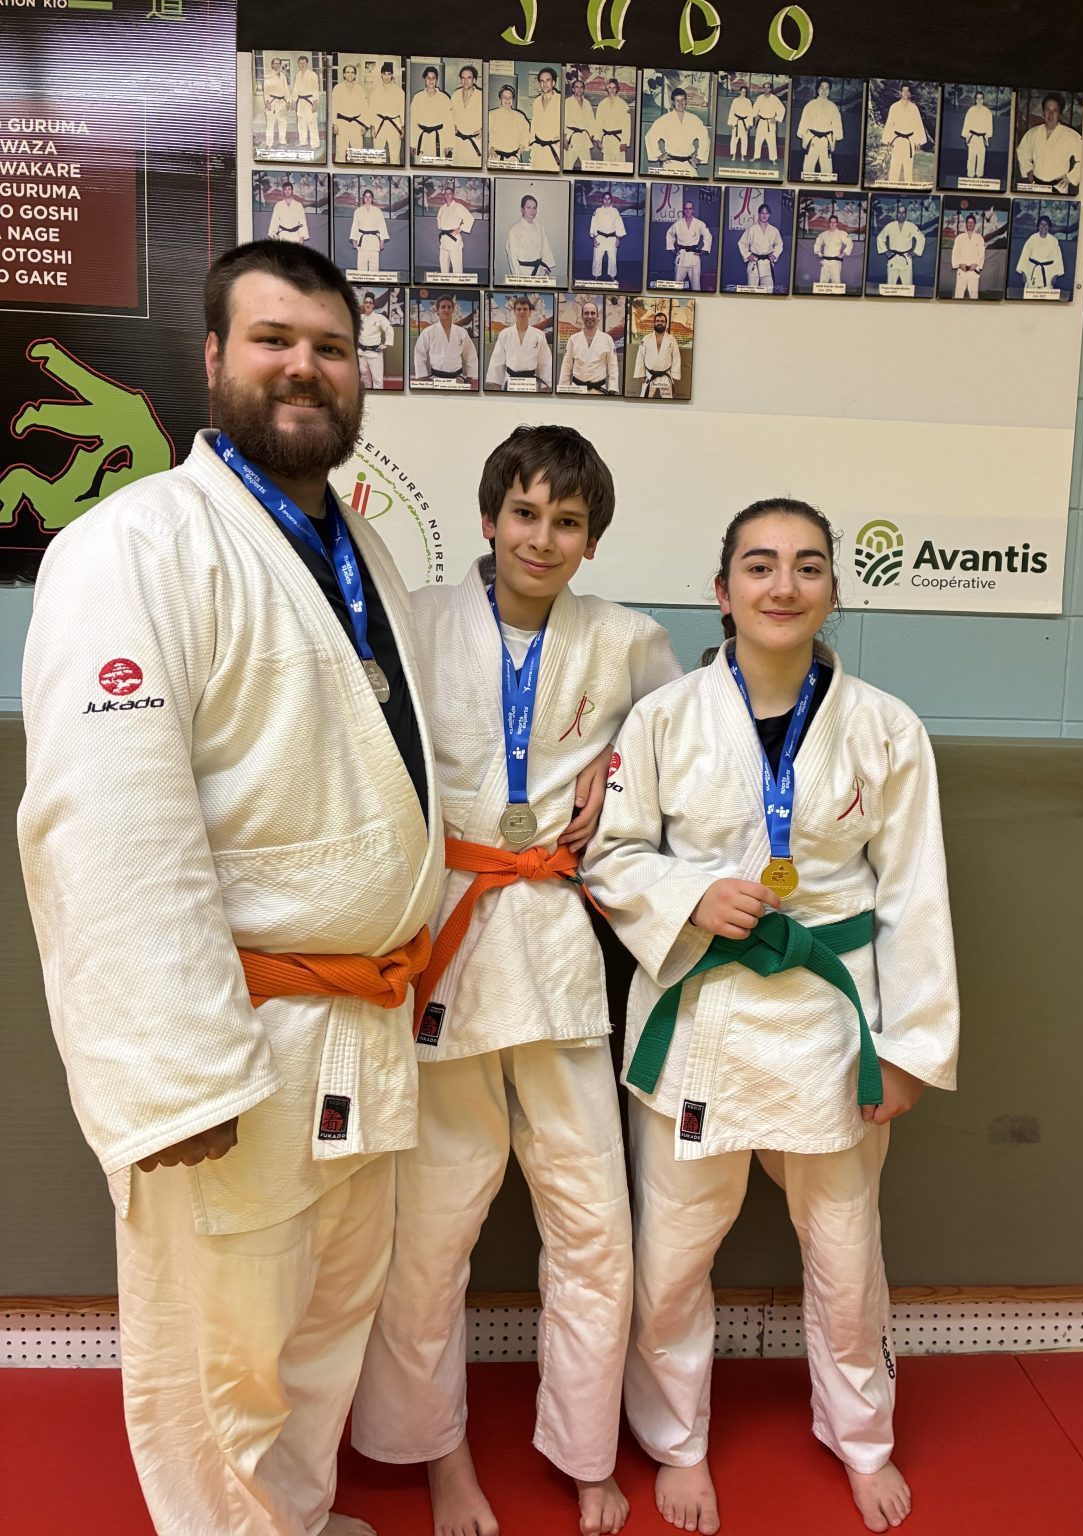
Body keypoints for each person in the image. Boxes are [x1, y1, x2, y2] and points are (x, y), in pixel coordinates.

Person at [18, 238, 440, 1536]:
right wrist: (174, 1077)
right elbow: (109, 821)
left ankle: (296, 1523)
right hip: (237, 1046)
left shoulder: (365, 553)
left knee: (320, 1334)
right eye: (274, 341)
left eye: (332, 347)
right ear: (212, 358)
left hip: (359, 1029)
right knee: (222, 1367)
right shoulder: (132, 545)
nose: (305, 368)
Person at [583, 497, 959, 1536]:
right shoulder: (663, 720)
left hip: (831, 1024)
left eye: (806, 566)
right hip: (701, 1014)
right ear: (723, 591)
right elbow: (611, 856)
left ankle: (862, 1437)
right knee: (673, 1256)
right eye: (759, 565)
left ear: (832, 589)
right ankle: (677, 1441)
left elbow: (915, 896)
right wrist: (688, 896)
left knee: (845, 1255)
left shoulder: (886, 727)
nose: (782, 585)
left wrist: (910, 1048)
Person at [351, 423, 681, 1536]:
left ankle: (586, 1452)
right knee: (432, 1229)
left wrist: (620, 776)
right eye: (526, 514)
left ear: (592, 540)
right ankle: (437, 1455)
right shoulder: (417, 619)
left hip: (555, 948)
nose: (543, 538)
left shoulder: (628, 640)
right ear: (489, 520)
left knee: (595, 1227)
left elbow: (684, 746)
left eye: (567, 522)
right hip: (445, 939)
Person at [1016, 93, 1082, 193]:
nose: (1050, 115)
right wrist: (1027, 169)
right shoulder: (1033, 133)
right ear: (1043, 112)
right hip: (1036, 185)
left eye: (1054, 111)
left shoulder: (1071, 135)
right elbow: (1022, 151)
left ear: (1060, 114)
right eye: (1047, 110)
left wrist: (1071, 177)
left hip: (1059, 187)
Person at [485, 294, 553, 391]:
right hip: (510, 381)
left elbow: (545, 362)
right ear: (514, 312)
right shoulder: (505, 334)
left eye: (525, 309)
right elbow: (497, 360)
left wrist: (546, 385)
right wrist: (496, 383)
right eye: (519, 309)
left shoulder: (539, 335)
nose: (522, 311)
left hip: (530, 383)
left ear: (530, 312)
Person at [411, 293, 479, 386]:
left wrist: (472, 375)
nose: (446, 310)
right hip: (436, 378)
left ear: (453, 310)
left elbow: (471, 354)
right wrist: (422, 375)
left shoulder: (462, 332)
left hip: (457, 378)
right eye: (443, 307)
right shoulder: (429, 332)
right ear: (437, 310)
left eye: (449, 307)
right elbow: (419, 352)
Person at [645, 86, 710, 175]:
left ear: (686, 101)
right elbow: (650, 136)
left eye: (682, 100)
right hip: (670, 163)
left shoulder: (694, 119)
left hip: (688, 163)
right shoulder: (664, 120)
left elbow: (705, 138)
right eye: (677, 100)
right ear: (673, 102)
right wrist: (658, 155)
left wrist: (700, 157)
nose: (680, 103)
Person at [559, 299, 620, 393]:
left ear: (597, 316)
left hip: (599, 390)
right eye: (586, 313)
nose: (590, 316)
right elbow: (566, 367)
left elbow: (613, 366)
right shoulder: (573, 339)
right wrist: (563, 389)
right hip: (577, 389)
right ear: (582, 316)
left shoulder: (607, 339)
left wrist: (613, 388)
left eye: (593, 313)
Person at [880, 83, 927, 185]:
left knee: (908, 169)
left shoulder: (914, 108)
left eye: (907, 91)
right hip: (897, 141)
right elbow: (889, 124)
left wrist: (918, 141)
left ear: (910, 93)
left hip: (909, 141)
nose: (905, 93)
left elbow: (918, 125)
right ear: (900, 92)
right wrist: (888, 141)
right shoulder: (894, 107)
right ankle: (892, 187)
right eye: (903, 91)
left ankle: (908, 187)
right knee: (894, 168)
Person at [796, 78, 843, 180]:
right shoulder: (810, 105)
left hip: (826, 140)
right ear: (817, 89)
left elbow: (837, 126)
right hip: (812, 138)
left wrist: (833, 143)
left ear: (829, 91)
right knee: (808, 168)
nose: (824, 90)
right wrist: (803, 140)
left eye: (827, 88)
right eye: (822, 87)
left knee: (827, 170)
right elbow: (804, 122)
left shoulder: (833, 107)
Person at [664, 198, 713, 290]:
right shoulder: (678, 224)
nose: (688, 211)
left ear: (693, 210)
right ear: (683, 210)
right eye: (686, 208)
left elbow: (708, 236)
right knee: (677, 285)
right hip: (681, 256)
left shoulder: (699, 224)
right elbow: (669, 234)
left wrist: (703, 250)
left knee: (696, 285)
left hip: (693, 256)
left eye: (690, 208)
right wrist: (672, 249)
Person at [506, 193, 557, 280]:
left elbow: (545, 247)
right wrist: (518, 277)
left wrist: (545, 267)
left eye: (534, 208)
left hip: (540, 271)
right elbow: (512, 257)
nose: (532, 211)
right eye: (528, 207)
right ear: (522, 209)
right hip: (523, 272)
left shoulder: (540, 226)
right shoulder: (514, 230)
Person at [875, 203, 925, 288]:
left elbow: (921, 238)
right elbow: (880, 237)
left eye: (903, 212)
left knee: (907, 286)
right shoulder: (890, 225)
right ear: (896, 214)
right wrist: (885, 251)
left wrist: (915, 252)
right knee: (890, 285)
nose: (901, 214)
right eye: (899, 212)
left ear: (906, 214)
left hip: (906, 258)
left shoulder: (911, 226)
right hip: (893, 258)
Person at [634, 307, 681, 398]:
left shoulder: (672, 340)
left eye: (662, 321)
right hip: (649, 376)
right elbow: (640, 356)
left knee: (667, 400)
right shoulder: (646, 339)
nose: (660, 323)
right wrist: (640, 374)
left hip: (665, 376)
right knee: (644, 399)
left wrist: (675, 375)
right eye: (658, 321)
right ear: (654, 323)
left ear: (666, 324)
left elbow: (676, 357)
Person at [737, 200, 784, 289]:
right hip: (754, 263)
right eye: (762, 213)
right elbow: (742, 243)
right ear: (759, 214)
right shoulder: (752, 229)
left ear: (769, 215)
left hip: (767, 264)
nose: (764, 215)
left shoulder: (774, 230)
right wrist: (748, 255)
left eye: (766, 213)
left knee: (768, 290)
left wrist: (775, 254)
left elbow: (779, 244)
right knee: (752, 289)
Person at [434, 181, 475, 277]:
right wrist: (442, 229)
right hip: (444, 239)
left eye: (449, 193)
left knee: (456, 265)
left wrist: (460, 228)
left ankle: (458, 282)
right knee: (443, 263)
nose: (447, 195)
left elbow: (470, 218)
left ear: (453, 195)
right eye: (446, 194)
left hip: (453, 238)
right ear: (444, 195)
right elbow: (439, 219)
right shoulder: (442, 208)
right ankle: (444, 281)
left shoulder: (458, 207)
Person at [1015, 213, 1065, 290]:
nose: (1043, 226)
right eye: (1041, 224)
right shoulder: (1032, 239)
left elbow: (1058, 258)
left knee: (1046, 292)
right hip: (1032, 270)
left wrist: (1055, 275)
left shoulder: (1053, 241)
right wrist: (1023, 273)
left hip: (1048, 272)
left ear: (1049, 227)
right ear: (1038, 226)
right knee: (1031, 292)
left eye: (1046, 225)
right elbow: (1024, 256)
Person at [411, 65, 450, 161]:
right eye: (428, 77)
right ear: (424, 79)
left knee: (438, 165)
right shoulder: (417, 98)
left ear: (437, 80)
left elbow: (449, 122)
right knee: (421, 164)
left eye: (433, 78)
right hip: (422, 138)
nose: (431, 80)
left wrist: (448, 144)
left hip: (439, 138)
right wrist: (412, 143)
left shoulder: (444, 98)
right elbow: (412, 121)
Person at [369, 61, 406, 163]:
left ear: (392, 75)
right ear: (381, 75)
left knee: (395, 155)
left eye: (389, 74)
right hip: (379, 124)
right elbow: (372, 110)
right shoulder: (375, 92)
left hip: (395, 125)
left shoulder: (399, 92)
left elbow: (402, 110)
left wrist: (403, 127)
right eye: (384, 74)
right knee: (377, 155)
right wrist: (372, 128)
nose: (386, 77)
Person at [333, 64, 371, 161]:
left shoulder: (360, 89)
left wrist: (364, 125)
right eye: (347, 72)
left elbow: (364, 108)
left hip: (356, 123)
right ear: (344, 74)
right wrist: (334, 124)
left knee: (358, 153)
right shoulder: (337, 88)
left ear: (355, 75)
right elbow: (334, 107)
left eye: (352, 73)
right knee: (340, 152)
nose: (350, 75)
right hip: (342, 123)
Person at [357, 289, 394, 388]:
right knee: (365, 378)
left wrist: (386, 344)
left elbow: (389, 329)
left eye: (370, 303)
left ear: (373, 305)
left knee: (377, 380)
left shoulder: (379, 317)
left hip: (374, 353)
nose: (368, 304)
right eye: (366, 302)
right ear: (363, 304)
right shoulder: (360, 318)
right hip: (361, 352)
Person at [489, 83, 532, 165]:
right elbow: (483, 135)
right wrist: (488, 147)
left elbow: (526, 134)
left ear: (513, 99)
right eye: (504, 97)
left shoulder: (519, 117)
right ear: (500, 98)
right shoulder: (491, 115)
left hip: (513, 158)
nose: (507, 100)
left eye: (510, 97)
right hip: (495, 157)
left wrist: (523, 144)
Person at [589, 190, 628, 281]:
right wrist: (594, 237)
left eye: (608, 199)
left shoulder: (615, 211)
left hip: (612, 238)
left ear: (611, 200)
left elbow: (619, 225)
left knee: (612, 259)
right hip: (600, 238)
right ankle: (596, 275)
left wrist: (618, 238)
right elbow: (594, 224)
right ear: (603, 200)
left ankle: (612, 275)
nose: (606, 200)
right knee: (597, 259)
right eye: (605, 199)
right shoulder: (598, 211)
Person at [449, 64, 483, 167]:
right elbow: (450, 115)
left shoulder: (482, 96)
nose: (466, 81)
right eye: (463, 78)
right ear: (460, 80)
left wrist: (484, 130)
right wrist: (452, 125)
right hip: (458, 142)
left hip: (475, 141)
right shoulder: (455, 95)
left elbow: (489, 119)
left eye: (469, 78)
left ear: (474, 80)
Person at [350, 188, 390, 274]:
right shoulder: (358, 211)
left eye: (370, 197)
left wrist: (382, 241)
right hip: (362, 240)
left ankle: (373, 280)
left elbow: (382, 226)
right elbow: (355, 226)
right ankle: (361, 280)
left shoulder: (378, 211)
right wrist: (354, 240)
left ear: (372, 199)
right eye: (366, 197)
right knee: (361, 265)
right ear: (363, 198)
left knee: (374, 265)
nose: (368, 199)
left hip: (374, 240)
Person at [530, 66, 563, 169]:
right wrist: (531, 142)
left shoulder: (561, 100)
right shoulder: (536, 102)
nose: (544, 83)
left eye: (548, 80)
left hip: (555, 148)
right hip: (537, 149)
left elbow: (569, 122)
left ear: (553, 82)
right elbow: (534, 124)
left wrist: (563, 137)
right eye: (542, 81)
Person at [596, 76, 632, 166]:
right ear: (607, 89)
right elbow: (599, 122)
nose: (612, 90)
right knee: (607, 164)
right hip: (606, 139)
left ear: (617, 89)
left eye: (614, 87)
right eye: (610, 87)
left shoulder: (623, 104)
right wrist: (599, 139)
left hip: (618, 139)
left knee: (619, 165)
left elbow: (627, 124)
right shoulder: (602, 104)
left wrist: (624, 142)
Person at [565, 74, 598, 170]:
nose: (579, 89)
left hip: (584, 138)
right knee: (567, 166)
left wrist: (592, 135)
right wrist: (564, 139)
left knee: (588, 166)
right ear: (573, 89)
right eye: (576, 87)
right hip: (571, 137)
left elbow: (591, 120)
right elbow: (563, 121)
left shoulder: (587, 103)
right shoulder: (567, 102)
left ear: (583, 89)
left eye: (581, 87)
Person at [960, 90, 994, 180]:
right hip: (973, 137)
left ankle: (979, 175)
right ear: (975, 100)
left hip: (982, 138)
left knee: (981, 157)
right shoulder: (971, 111)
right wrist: (967, 136)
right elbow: (966, 123)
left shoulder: (987, 112)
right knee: (971, 157)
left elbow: (989, 126)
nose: (979, 100)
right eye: (977, 98)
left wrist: (987, 136)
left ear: (983, 100)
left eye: (981, 98)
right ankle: (970, 175)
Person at [951, 212, 985, 298]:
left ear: (974, 224)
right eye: (968, 222)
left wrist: (976, 264)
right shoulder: (959, 238)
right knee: (958, 295)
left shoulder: (979, 238)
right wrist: (959, 264)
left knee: (974, 295)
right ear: (966, 224)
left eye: (972, 222)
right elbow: (955, 253)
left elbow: (981, 254)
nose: (970, 224)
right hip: (962, 269)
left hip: (973, 270)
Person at [292, 54, 322, 151]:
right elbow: (295, 89)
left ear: (307, 63)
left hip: (310, 101)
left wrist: (315, 103)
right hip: (301, 102)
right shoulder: (298, 75)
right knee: (301, 123)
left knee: (312, 122)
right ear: (298, 64)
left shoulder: (313, 75)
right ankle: (303, 141)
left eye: (303, 63)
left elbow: (316, 90)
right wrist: (294, 101)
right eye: (300, 63)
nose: (302, 65)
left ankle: (315, 143)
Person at [813, 213, 853, 285]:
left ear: (837, 223)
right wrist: (818, 252)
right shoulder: (824, 234)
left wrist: (843, 254)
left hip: (835, 262)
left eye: (834, 222)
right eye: (831, 222)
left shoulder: (841, 233)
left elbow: (850, 243)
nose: (832, 224)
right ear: (829, 223)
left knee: (836, 283)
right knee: (823, 283)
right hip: (825, 262)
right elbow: (818, 242)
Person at [752, 82, 786, 166]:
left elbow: (782, 109)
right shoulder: (760, 98)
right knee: (758, 140)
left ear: (771, 89)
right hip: (761, 122)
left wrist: (776, 118)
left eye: (768, 87)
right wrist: (756, 115)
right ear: (763, 89)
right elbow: (755, 108)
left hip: (770, 122)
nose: (766, 89)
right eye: (765, 87)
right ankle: (756, 156)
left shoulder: (774, 99)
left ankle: (773, 159)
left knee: (771, 141)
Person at [261, 55, 290, 150]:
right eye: (275, 63)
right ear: (272, 65)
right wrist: (267, 102)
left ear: (280, 65)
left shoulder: (283, 76)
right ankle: (269, 144)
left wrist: (288, 101)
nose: (277, 65)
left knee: (283, 122)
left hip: (282, 102)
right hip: (272, 102)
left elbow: (286, 89)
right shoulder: (268, 76)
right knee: (270, 124)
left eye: (278, 63)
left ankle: (282, 141)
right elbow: (266, 90)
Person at [726, 83, 754, 162]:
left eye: (744, 92)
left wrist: (749, 124)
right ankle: (733, 155)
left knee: (744, 140)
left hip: (745, 122)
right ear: (739, 92)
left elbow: (750, 113)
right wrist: (731, 123)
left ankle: (742, 156)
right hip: (736, 122)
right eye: (742, 91)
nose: (743, 93)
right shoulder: (735, 101)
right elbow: (732, 111)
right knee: (734, 139)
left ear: (746, 93)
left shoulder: (748, 101)